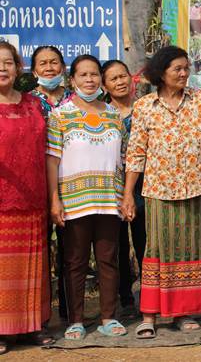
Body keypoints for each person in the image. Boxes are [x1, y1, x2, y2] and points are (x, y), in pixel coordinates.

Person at [124, 46, 201, 338]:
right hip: (158, 191)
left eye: (186, 68)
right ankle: (150, 315)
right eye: (177, 69)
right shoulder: (145, 105)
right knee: (157, 250)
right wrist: (129, 194)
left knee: (190, 250)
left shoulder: (198, 101)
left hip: (195, 189)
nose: (184, 74)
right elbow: (136, 153)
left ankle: (183, 313)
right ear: (161, 73)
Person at [46, 55, 128, 340]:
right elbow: (52, 161)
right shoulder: (59, 115)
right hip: (74, 201)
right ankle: (76, 320)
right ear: (73, 80)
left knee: (108, 259)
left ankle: (108, 317)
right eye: (83, 75)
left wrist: (125, 196)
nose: (90, 80)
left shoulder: (113, 115)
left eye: (94, 74)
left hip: (109, 200)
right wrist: (54, 200)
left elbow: (123, 157)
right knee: (75, 261)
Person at [0, 43, 52, 354]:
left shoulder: (36, 105)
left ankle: (33, 325)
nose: (3, 68)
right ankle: (3, 330)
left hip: (34, 199)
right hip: (2, 204)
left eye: (8, 62)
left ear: (19, 67)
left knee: (33, 267)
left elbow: (49, 152)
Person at [102, 60, 147, 319]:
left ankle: (148, 297)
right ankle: (125, 299)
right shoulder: (103, 112)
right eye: (113, 79)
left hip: (143, 185)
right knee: (116, 243)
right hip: (111, 184)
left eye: (123, 76)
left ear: (131, 79)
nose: (119, 82)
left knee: (145, 241)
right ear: (105, 85)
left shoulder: (144, 109)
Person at [30, 45, 71, 321]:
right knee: (40, 251)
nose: (49, 68)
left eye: (54, 62)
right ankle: (41, 315)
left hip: (72, 182)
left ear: (63, 68)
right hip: (36, 183)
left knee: (71, 249)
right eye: (42, 64)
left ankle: (71, 312)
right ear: (34, 71)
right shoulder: (28, 102)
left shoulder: (76, 99)